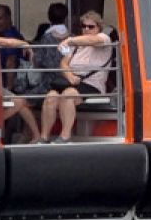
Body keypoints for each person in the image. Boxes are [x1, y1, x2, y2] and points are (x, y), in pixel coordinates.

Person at [37, 10, 113, 144]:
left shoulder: (104, 39)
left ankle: (65, 136)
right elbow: (64, 63)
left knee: (68, 94)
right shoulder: (77, 45)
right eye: (84, 26)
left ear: (99, 28)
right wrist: (69, 75)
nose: (87, 29)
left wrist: (69, 40)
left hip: (92, 84)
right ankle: (44, 137)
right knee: (51, 96)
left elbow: (92, 40)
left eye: (91, 27)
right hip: (72, 81)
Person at [0, 35, 40, 143]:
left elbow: (8, 42)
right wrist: (25, 44)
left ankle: (36, 135)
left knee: (20, 103)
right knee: (19, 101)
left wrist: (24, 44)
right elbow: (7, 42)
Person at [0, 3, 26, 90]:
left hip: (7, 85)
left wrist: (8, 89)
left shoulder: (12, 36)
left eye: (0, 19)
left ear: (8, 18)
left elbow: (11, 62)